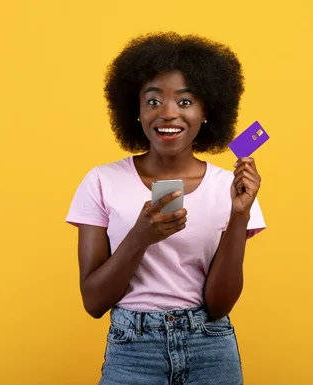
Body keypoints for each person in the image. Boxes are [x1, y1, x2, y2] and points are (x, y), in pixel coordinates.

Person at [66, 32, 266, 385]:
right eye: (154, 101)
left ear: (207, 112)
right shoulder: (101, 181)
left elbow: (219, 306)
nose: (169, 113)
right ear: (137, 111)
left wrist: (240, 216)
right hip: (132, 350)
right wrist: (140, 237)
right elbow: (93, 302)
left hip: (210, 349)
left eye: (186, 102)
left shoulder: (229, 188)